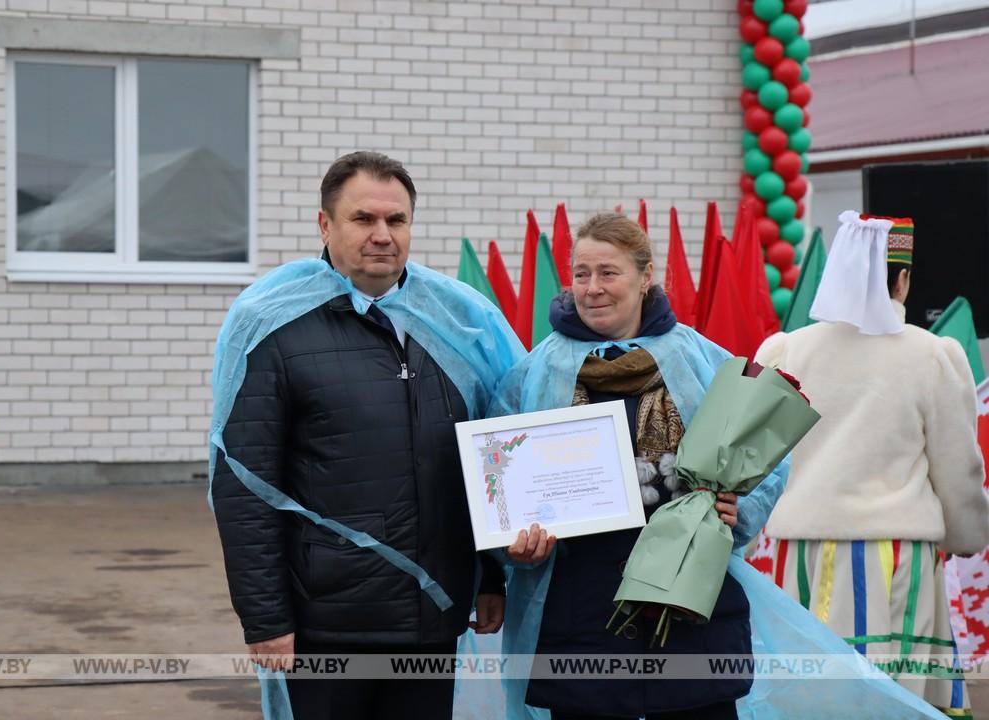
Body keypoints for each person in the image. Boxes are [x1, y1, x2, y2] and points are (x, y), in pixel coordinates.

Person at [209, 151, 524, 720]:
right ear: (325, 225)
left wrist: (492, 574)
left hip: (435, 614)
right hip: (327, 623)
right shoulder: (273, 327)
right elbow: (244, 489)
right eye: (363, 219)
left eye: (396, 220)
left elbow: (495, 459)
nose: (382, 235)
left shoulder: (458, 321)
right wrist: (266, 618)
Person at [492, 212, 786, 720]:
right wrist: (511, 541)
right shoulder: (534, 371)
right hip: (580, 609)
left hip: (690, 601)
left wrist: (743, 506)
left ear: (645, 276)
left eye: (609, 273)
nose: (593, 288)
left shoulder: (699, 357)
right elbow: (496, 473)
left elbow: (766, 451)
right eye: (581, 273)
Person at [754, 211, 989, 717]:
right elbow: (958, 469)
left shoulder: (788, 350)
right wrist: (967, 535)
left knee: (811, 693)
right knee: (895, 696)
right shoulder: (932, 356)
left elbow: (754, 460)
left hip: (801, 558)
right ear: (901, 279)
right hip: (896, 560)